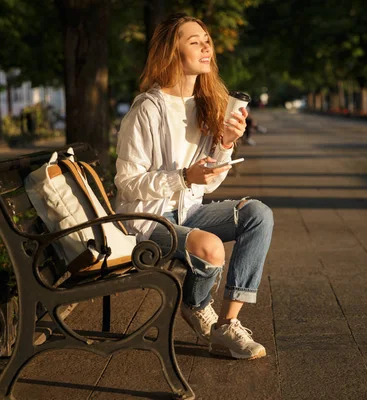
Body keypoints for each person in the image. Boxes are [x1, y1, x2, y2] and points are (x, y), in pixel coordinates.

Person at [114, 13, 274, 360]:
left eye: (207, 40)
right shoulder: (146, 109)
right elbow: (126, 183)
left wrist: (227, 143)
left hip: (189, 210)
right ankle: (197, 304)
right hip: (147, 219)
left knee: (258, 214)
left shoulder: (205, 104)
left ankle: (226, 325)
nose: (206, 47)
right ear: (173, 52)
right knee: (211, 247)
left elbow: (211, 179)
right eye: (194, 41)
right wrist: (183, 177)